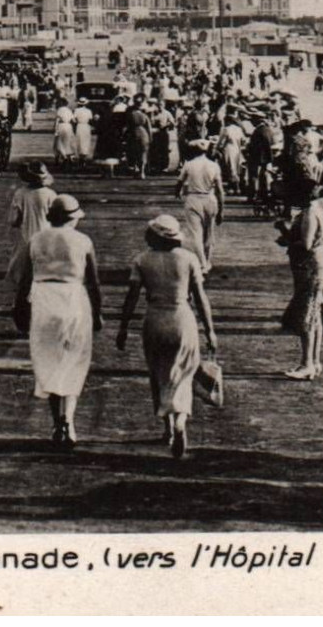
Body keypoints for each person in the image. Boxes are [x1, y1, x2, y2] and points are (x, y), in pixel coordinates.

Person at [116, 214, 218, 458]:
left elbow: (131, 297)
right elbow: (201, 297)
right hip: (182, 319)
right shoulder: (189, 259)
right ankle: (181, 419)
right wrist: (210, 331)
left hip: (154, 320)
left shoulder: (142, 260)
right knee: (184, 372)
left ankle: (168, 428)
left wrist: (123, 328)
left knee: (158, 372)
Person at [17, 194, 102, 448]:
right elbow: (94, 282)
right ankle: (69, 421)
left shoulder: (36, 240)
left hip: (44, 299)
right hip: (74, 298)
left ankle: (58, 422)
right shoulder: (83, 241)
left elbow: (24, 281)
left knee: (50, 361)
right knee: (74, 360)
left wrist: (19, 309)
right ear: (72, 219)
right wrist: (98, 313)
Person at [279, 180, 323, 380]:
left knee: (306, 317)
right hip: (319, 264)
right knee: (314, 315)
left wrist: (285, 233)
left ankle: (306, 364)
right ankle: (314, 362)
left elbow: (307, 244)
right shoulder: (316, 210)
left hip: (310, 267)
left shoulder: (309, 214)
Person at [175, 140, 225, 275]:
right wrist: (221, 210)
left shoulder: (189, 164)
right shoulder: (214, 166)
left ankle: (202, 264)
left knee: (196, 233)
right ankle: (207, 261)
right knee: (209, 232)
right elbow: (220, 189)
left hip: (193, 199)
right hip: (210, 198)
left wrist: (178, 193)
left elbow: (179, 182)